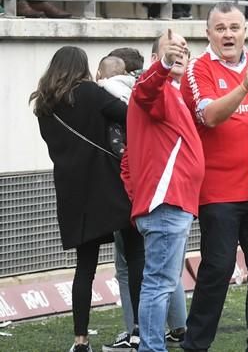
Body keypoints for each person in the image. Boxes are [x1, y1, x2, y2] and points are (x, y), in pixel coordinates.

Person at [180, 2, 248, 352]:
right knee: (217, 271)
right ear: (208, 33)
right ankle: (196, 344)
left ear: (245, 32)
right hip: (219, 193)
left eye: (234, 27)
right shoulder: (198, 69)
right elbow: (209, 116)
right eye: (220, 28)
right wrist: (242, 88)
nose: (228, 34)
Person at [29, 46, 144, 352]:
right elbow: (130, 116)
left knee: (85, 267)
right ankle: (137, 331)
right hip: (110, 185)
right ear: (82, 66)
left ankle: (80, 340)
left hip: (73, 192)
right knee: (135, 255)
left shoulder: (44, 106)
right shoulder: (92, 94)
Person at [121, 31, 205, 352]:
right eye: (172, 50)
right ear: (156, 58)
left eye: (184, 49)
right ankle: (152, 348)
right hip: (167, 205)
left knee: (162, 284)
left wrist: (142, 195)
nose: (180, 53)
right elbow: (145, 89)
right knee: (158, 285)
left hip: (169, 203)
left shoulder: (173, 92)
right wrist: (153, 196)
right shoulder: (154, 87)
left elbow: (127, 161)